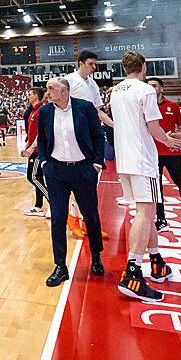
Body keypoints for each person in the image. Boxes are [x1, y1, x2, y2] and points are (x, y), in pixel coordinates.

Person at [110, 52, 181, 302]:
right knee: (145, 214)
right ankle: (133, 273)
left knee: (146, 212)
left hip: (124, 160)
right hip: (143, 159)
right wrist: (170, 141)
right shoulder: (145, 90)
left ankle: (156, 262)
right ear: (144, 67)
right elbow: (155, 129)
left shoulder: (116, 91)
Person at [37, 75, 109, 288]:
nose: (47, 93)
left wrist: (96, 164)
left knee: (91, 217)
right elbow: (42, 139)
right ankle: (60, 266)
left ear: (64, 91)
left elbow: (98, 137)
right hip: (56, 171)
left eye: (50, 89)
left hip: (83, 170)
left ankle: (96, 256)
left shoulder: (85, 108)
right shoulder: (45, 111)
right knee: (58, 218)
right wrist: (44, 163)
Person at [62, 50, 113, 239]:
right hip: (75, 136)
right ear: (81, 63)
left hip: (92, 135)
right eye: (91, 64)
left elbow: (98, 111)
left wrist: (115, 126)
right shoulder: (69, 80)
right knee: (82, 183)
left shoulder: (92, 84)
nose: (94, 67)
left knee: (92, 182)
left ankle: (87, 221)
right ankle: (74, 220)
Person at [150, 78, 181, 232]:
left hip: (172, 152)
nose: (151, 88)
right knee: (157, 188)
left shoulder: (173, 106)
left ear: (161, 89)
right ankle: (161, 219)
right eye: (149, 86)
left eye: (154, 86)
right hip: (153, 154)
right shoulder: (145, 107)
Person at [19, 87, 49, 217]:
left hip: (38, 150)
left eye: (30, 94)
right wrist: (26, 146)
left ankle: (52, 201)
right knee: (37, 178)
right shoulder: (33, 111)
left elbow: (41, 133)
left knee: (33, 177)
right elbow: (32, 134)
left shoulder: (40, 111)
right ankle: (38, 206)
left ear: (36, 96)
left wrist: (32, 147)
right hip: (33, 148)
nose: (28, 96)